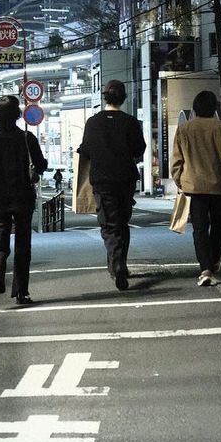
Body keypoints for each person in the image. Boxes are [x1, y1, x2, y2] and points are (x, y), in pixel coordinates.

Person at [170, 90, 221, 287]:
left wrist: (179, 181)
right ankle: (213, 262)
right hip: (219, 187)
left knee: (200, 229)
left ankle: (205, 269)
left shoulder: (184, 129)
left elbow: (177, 161)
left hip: (194, 188)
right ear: (214, 109)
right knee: (219, 227)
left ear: (195, 109)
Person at [77, 79, 146, 291]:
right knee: (122, 223)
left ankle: (117, 265)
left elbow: (85, 150)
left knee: (109, 226)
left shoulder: (93, 122)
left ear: (105, 97)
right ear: (123, 98)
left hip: (102, 181)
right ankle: (120, 265)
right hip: (125, 180)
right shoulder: (131, 122)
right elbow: (139, 150)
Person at [0, 95, 48, 308]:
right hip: (22, 197)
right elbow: (40, 164)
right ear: (18, 116)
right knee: (22, 244)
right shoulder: (27, 138)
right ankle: (21, 291)